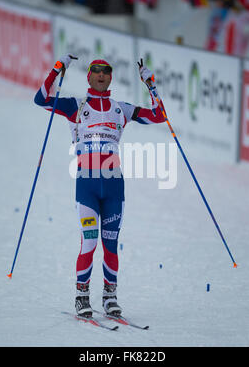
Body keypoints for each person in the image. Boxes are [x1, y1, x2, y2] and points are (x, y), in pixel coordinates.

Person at [34, 55, 166, 318]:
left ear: (111, 77)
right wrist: (56, 70)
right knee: (89, 242)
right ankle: (82, 296)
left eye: (106, 71)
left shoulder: (121, 108)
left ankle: (110, 296)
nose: (101, 75)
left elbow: (159, 115)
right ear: (89, 76)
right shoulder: (76, 105)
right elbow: (41, 99)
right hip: (87, 185)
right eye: (96, 71)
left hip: (114, 185)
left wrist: (150, 84)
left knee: (111, 244)